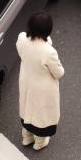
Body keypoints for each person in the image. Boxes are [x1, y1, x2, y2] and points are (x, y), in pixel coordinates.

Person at [16, 12, 65, 151]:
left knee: (27, 108)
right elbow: (59, 72)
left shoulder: (21, 39)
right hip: (42, 88)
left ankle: (26, 137)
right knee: (41, 115)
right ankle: (39, 142)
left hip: (26, 80)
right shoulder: (49, 52)